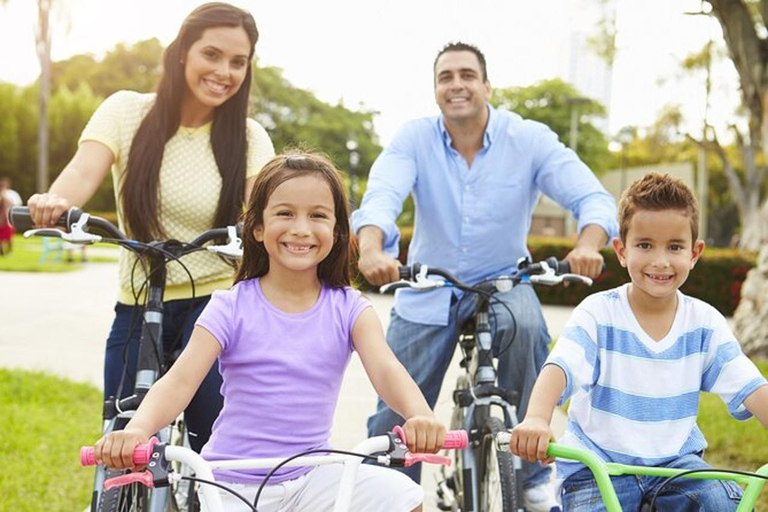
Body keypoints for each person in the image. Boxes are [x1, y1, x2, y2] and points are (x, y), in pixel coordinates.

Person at [93, 152, 447, 512]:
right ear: (257, 228)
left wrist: (421, 415)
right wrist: (138, 430)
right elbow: (180, 381)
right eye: (285, 213)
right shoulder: (230, 307)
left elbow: (386, 369)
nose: (301, 228)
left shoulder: (349, 308)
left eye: (318, 216)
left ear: (338, 230)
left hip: (312, 475)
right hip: (232, 481)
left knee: (403, 497)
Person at [351, 41, 618, 510]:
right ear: (435, 90)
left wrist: (587, 245)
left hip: (505, 283)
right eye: (445, 77)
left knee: (531, 328)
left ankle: (533, 476)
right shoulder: (413, 138)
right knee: (394, 409)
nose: (456, 84)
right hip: (428, 286)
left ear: (487, 86)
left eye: (467, 75)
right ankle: (388, 493)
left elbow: (591, 198)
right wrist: (372, 248)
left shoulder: (529, 138)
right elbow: (381, 197)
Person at [26, 2, 274, 452]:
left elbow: (267, 209)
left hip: (217, 309)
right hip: (139, 302)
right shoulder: (125, 112)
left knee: (213, 447)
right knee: (121, 438)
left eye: (238, 62)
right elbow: (81, 175)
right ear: (182, 52)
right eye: (212, 54)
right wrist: (55, 203)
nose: (224, 71)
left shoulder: (250, 136)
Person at [509, 172, 768, 511]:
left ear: (694, 253)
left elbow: (750, 386)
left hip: (677, 466)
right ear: (621, 250)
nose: (660, 261)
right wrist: (537, 420)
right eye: (645, 245)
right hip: (599, 466)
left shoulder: (703, 323)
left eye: (675, 247)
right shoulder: (600, 314)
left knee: (721, 501)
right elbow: (560, 367)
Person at [0, 177, 22, 255]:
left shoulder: (12, 194)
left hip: (9, 218)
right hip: (2, 218)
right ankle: (2, 252)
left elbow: (18, 204)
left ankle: (9, 251)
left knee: (9, 236)